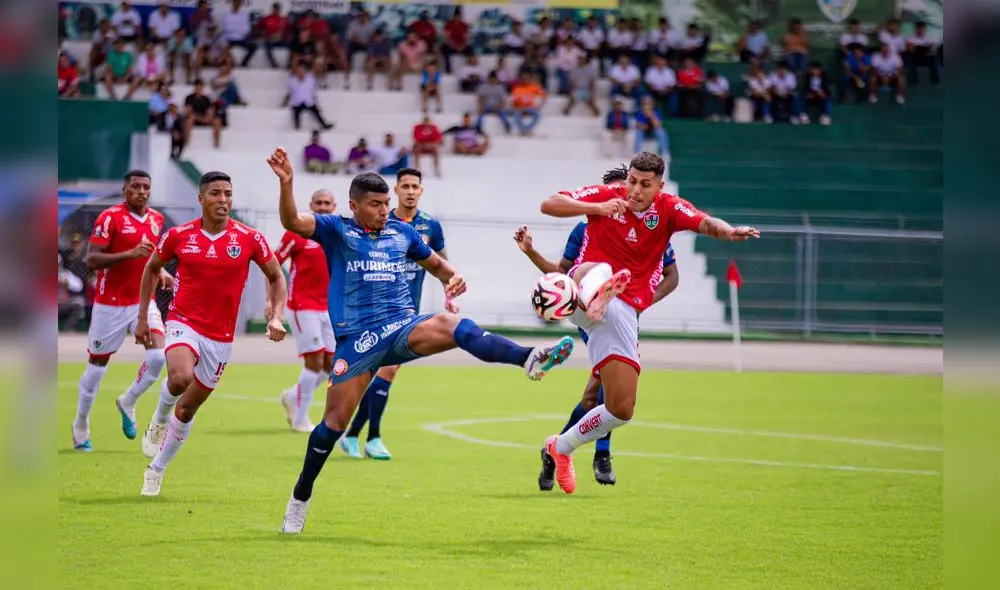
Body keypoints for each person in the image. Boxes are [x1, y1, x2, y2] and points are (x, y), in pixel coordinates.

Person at [266, 148, 576, 532]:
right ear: (354, 205)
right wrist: (287, 183)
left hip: (401, 326)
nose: (384, 210)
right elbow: (292, 220)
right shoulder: (337, 230)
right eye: (376, 204)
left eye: (386, 203)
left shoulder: (403, 232)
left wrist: (451, 277)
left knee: (453, 324)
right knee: (332, 426)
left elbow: (436, 263)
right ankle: (300, 496)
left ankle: (528, 358)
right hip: (357, 340)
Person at [538, 152, 759, 494]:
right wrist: (597, 209)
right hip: (587, 290)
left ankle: (560, 448)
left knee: (621, 410)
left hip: (623, 314)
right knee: (593, 273)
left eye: (644, 185)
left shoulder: (669, 208)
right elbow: (549, 204)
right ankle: (585, 297)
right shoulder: (607, 196)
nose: (635, 191)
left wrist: (729, 232)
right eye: (631, 182)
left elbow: (704, 222)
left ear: (659, 186)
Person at [513, 164, 680, 487]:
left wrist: (641, 301)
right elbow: (563, 276)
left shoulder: (653, 227)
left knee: (594, 398)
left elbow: (672, 276)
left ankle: (558, 450)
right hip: (593, 313)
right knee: (606, 394)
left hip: (626, 315)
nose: (627, 199)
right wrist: (532, 252)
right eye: (621, 191)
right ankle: (599, 454)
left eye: (634, 190)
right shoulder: (586, 227)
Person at [137, 171, 288, 496]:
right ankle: (159, 416)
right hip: (183, 321)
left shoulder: (250, 238)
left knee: (188, 409)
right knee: (179, 378)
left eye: (228, 194)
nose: (223, 200)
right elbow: (151, 267)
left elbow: (277, 276)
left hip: (221, 339)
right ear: (201, 199)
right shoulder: (178, 235)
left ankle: (157, 468)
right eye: (216, 194)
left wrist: (276, 316)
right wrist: (141, 318)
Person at [339, 168, 451, 460]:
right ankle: (368, 437)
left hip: (406, 311)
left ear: (421, 191)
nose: (411, 191)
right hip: (375, 312)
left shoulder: (430, 226)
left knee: (381, 373)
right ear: (396, 191)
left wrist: (450, 292)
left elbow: (441, 264)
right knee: (379, 374)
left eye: (416, 186)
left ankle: (357, 435)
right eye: (405, 186)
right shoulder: (380, 222)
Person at [72, 171, 171, 452]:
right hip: (109, 306)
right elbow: (91, 260)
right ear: (125, 189)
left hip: (142, 302)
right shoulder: (110, 218)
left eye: (146, 187)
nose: (141, 191)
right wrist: (128, 254)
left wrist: (161, 269)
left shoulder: (156, 219)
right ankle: (80, 425)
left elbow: (151, 256)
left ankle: (128, 400)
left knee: (157, 358)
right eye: (135, 187)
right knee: (95, 371)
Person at [275, 190, 337, 433]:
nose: (322, 207)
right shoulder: (297, 232)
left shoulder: (336, 234)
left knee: (332, 365)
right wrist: (274, 299)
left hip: (329, 308)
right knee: (313, 361)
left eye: (326, 203)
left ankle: (292, 396)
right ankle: (301, 419)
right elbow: (273, 261)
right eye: (318, 203)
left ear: (334, 206)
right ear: (310, 205)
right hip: (303, 306)